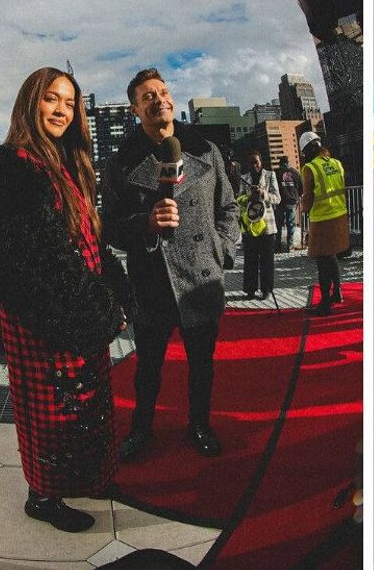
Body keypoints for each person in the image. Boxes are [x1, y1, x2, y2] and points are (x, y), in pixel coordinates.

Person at [0, 67, 139, 532]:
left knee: (86, 402)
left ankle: (84, 478)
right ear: (30, 102)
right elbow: (27, 263)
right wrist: (96, 309)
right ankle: (43, 495)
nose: (61, 109)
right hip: (43, 319)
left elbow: (92, 242)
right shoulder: (10, 168)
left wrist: (114, 297)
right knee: (50, 410)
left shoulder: (69, 165)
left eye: (69, 102)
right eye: (51, 99)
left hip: (81, 308)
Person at [102, 68, 239, 461]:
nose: (158, 99)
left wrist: (222, 251)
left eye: (163, 92)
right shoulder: (121, 163)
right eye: (148, 96)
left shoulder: (204, 149)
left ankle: (200, 425)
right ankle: (141, 429)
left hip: (201, 277)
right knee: (148, 368)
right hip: (151, 280)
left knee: (202, 366)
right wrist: (145, 223)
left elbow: (228, 208)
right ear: (135, 109)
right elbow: (109, 226)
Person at [299, 131, 350, 316]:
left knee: (322, 261)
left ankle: (325, 302)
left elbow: (307, 199)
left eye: (304, 151)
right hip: (340, 215)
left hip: (322, 218)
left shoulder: (310, 168)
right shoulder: (336, 163)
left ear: (309, 149)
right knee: (332, 256)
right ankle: (337, 292)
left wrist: (304, 208)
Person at [239, 150, 280, 300]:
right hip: (250, 225)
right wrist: (249, 196)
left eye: (256, 161)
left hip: (267, 226)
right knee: (250, 259)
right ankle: (250, 290)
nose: (254, 165)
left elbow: (277, 198)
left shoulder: (270, 175)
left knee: (267, 260)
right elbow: (239, 200)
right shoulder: (244, 178)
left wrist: (264, 194)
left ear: (261, 162)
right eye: (251, 162)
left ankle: (266, 289)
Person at [274, 155, 301, 251]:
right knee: (291, 225)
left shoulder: (277, 173)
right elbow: (300, 187)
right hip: (291, 201)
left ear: (280, 163)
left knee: (278, 225)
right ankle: (290, 246)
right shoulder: (295, 173)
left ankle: (277, 246)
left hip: (280, 202)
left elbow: (273, 187)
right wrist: (297, 197)